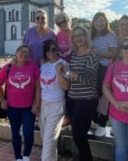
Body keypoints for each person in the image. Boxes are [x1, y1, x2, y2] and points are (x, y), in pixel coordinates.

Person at [61, 26, 99, 161]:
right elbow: (72, 77)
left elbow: (87, 79)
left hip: (86, 100)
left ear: (86, 36)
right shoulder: (75, 55)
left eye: (81, 34)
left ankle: (86, 158)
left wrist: (68, 72)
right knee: (76, 133)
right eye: (75, 36)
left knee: (78, 134)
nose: (78, 38)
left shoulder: (92, 54)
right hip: (72, 99)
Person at [0, 44, 41, 161]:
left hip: (28, 108)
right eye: (22, 51)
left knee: (28, 133)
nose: (24, 54)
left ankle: (26, 155)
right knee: (15, 133)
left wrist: (36, 104)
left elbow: (37, 86)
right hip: (13, 108)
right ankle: (18, 157)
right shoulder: (8, 67)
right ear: (16, 53)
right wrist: (2, 99)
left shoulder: (33, 66)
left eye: (27, 52)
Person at [39, 40, 70, 161]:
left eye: (53, 49)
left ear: (57, 50)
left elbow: (66, 86)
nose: (51, 52)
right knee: (47, 140)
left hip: (56, 105)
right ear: (45, 53)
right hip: (43, 105)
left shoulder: (64, 64)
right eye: (48, 50)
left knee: (48, 141)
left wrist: (58, 72)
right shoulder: (43, 65)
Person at [91, 12, 118, 137]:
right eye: (97, 20)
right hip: (92, 68)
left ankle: (102, 124)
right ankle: (96, 120)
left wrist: (99, 54)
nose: (99, 23)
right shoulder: (92, 35)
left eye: (102, 21)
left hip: (105, 68)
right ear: (93, 22)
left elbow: (114, 54)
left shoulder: (110, 35)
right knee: (93, 95)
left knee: (104, 97)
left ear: (106, 22)